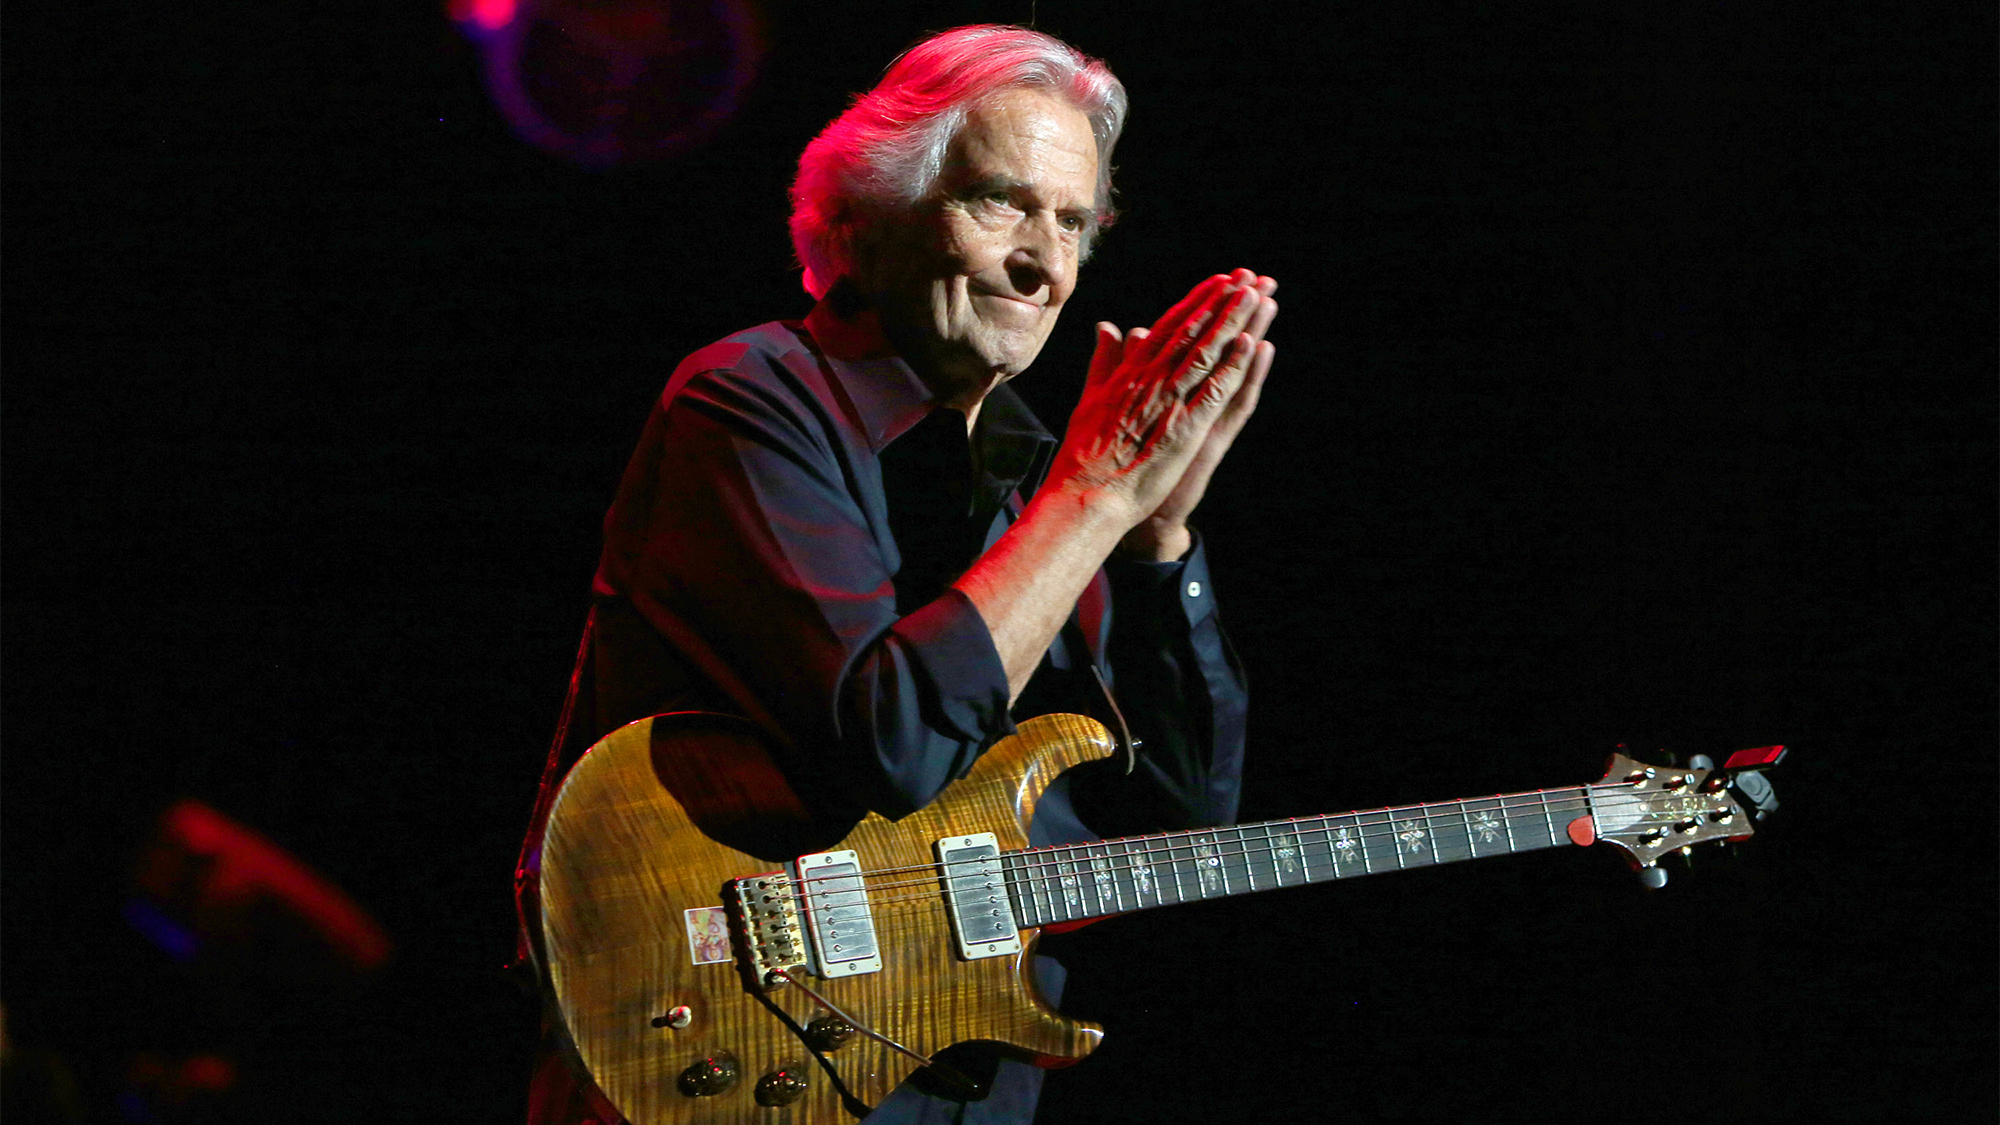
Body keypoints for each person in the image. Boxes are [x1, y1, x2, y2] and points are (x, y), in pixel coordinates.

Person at [521, 24, 1277, 1125]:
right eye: (1001, 204)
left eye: (1070, 222)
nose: (1045, 264)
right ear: (869, 221)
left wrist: (1156, 542)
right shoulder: (752, 402)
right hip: (718, 1064)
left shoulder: (1041, 485)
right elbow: (893, 747)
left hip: (957, 1082)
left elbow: (1179, 827)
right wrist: (1095, 498)